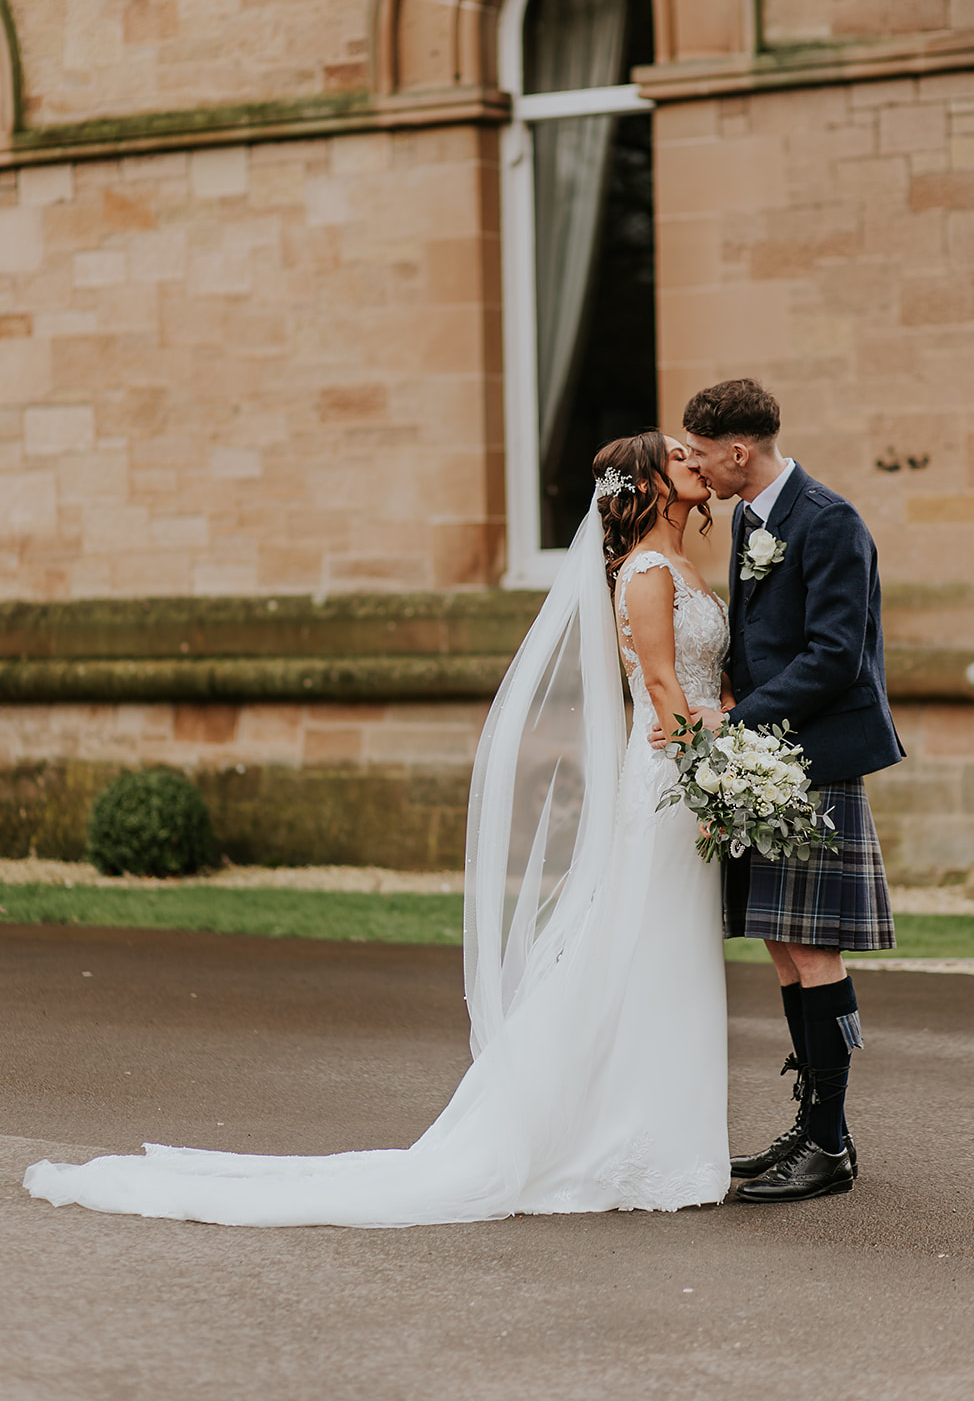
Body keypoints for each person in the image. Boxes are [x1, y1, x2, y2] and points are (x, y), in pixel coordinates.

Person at [24, 432, 736, 1228]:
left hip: (694, 769)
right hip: (672, 777)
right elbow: (666, 684)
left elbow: (710, 681)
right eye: (677, 454)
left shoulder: (688, 565)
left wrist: (734, 738)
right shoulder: (642, 573)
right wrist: (714, 776)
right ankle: (619, 1139)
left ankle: (663, 1134)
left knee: (666, 945)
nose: (694, 460)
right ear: (645, 481)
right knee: (642, 944)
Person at [673, 377, 903, 1203]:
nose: (696, 468)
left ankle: (831, 1144)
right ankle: (810, 1127)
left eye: (701, 454)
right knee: (781, 943)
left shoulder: (828, 520)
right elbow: (766, 642)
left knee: (813, 949)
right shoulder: (750, 517)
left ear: (739, 451)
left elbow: (835, 654)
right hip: (771, 753)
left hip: (815, 758)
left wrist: (735, 722)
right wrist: (729, 693)